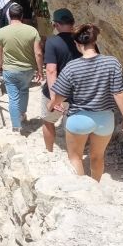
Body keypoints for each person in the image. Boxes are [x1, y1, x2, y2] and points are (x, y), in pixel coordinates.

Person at [49, 24, 123, 181]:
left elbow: (59, 96)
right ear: (95, 41)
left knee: (75, 157)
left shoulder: (72, 66)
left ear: (77, 44)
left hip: (79, 119)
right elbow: (118, 93)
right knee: (98, 157)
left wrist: (51, 105)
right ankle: (96, 187)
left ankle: (83, 190)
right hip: (105, 119)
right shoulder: (112, 62)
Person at [0, 3, 43, 133]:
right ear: (22, 16)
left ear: (9, 16)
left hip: (9, 70)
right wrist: (40, 70)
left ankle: (16, 126)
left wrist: (0, 65)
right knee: (24, 90)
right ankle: (22, 115)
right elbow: (38, 53)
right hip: (28, 70)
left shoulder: (2, 31)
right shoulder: (32, 31)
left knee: (13, 98)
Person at [41, 8, 80, 153]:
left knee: (48, 121)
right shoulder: (83, 40)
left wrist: (54, 98)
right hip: (78, 93)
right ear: (73, 23)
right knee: (72, 125)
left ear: (56, 24)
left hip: (57, 92)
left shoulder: (52, 42)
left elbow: (51, 70)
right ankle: (74, 155)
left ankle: (49, 152)